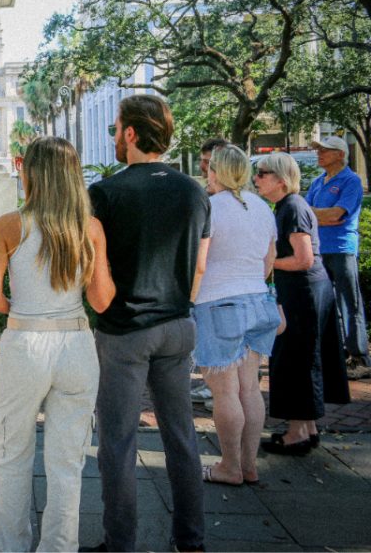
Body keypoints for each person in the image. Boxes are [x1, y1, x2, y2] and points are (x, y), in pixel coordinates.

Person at [82, 94, 210, 553]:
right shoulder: (194, 190)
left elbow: (94, 270)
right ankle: (190, 540)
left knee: (117, 443)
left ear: (132, 133)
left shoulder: (107, 193)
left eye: (117, 129)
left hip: (125, 331)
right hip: (178, 325)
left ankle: (120, 543)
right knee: (182, 436)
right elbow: (200, 267)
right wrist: (176, 304)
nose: (114, 136)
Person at [0, 137, 115, 553]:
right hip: (75, 343)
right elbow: (102, 301)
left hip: (25, 344)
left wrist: (23, 310)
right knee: (67, 461)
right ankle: (58, 548)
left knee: (12, 449)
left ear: (30, 173)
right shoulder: (89, 228)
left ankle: (9, 543)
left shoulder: (10, 225)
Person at [193, 145, 279, 485]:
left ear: (217, 171)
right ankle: (248, 464)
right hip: (258, 301)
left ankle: (229, 466)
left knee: (225, 392)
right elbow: (269, 259)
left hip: (219, 303)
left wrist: (191, 297)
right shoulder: (261, 207)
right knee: (250, 389)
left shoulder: (210, 208)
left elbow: (199, 262)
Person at [254, 152, 350, 455]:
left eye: (263, 173)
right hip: (306, 291)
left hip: (303, 293)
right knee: (302, 357)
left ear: (281, 179)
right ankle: (306, 429)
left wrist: (268, 264)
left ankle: (298, 433)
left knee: (297, 358)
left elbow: (303, 259)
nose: (257, 178)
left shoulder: (292, 208)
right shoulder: (288, 206)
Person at [306, 136, 370, 380]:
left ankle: (360, 357)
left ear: (341, 154)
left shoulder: (351, 181)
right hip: (320, 250)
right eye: (318, 149)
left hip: (342, 249)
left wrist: (318, 214)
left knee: (349, 303)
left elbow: (336, 216)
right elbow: (308, 214)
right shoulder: (318, 181)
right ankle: (337, 353)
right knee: (326, 305)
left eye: (325, 150)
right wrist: (321, 215)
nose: (319, 153)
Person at [190, 137, 229, 407]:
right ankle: (213, 385)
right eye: (203, 161)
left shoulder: (222, 202)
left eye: (208, 162)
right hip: (214, 280)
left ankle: (220, 391)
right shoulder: (209, 194)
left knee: (219, 339)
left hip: (218, 283)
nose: (204, 167)